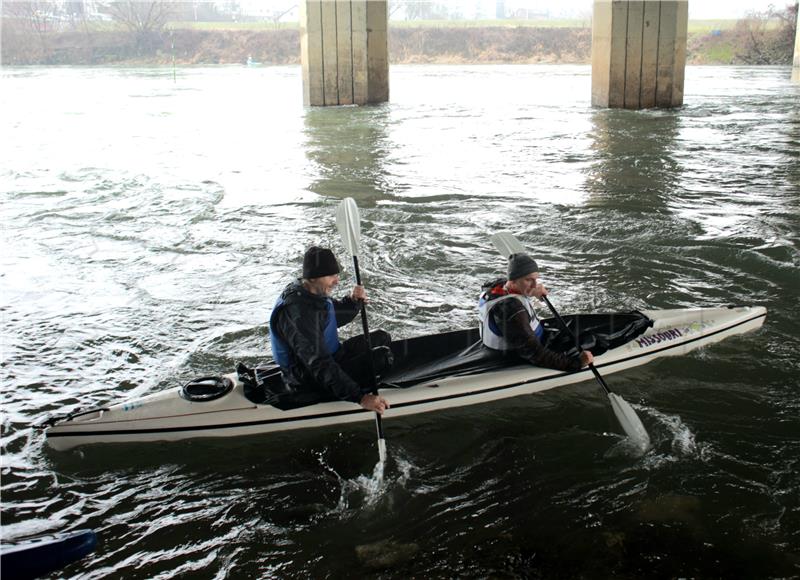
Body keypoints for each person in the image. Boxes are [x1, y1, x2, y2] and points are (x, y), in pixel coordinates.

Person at [269, 246, 392, 414]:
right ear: (313, 277)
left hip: (333, 355)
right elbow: (318, 363)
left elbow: (332, 318)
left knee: (381, 337)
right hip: (307, 378)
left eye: (336, 275)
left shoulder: (309, 292)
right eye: (331, 276)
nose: (336, 281)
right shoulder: (299, 314)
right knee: (382, 357)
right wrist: (361, 398)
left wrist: (353, 301)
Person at [478, 252, 593, 371]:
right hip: (513, 355)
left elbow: (513, 290)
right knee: (591, 340)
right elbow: (535, 354)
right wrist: (577, 363)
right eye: (529, 280)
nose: (535, 285)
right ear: (513, 281)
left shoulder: (496, 286)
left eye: (535, 279)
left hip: (515, 339)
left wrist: (531, 291)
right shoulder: (511, 310)